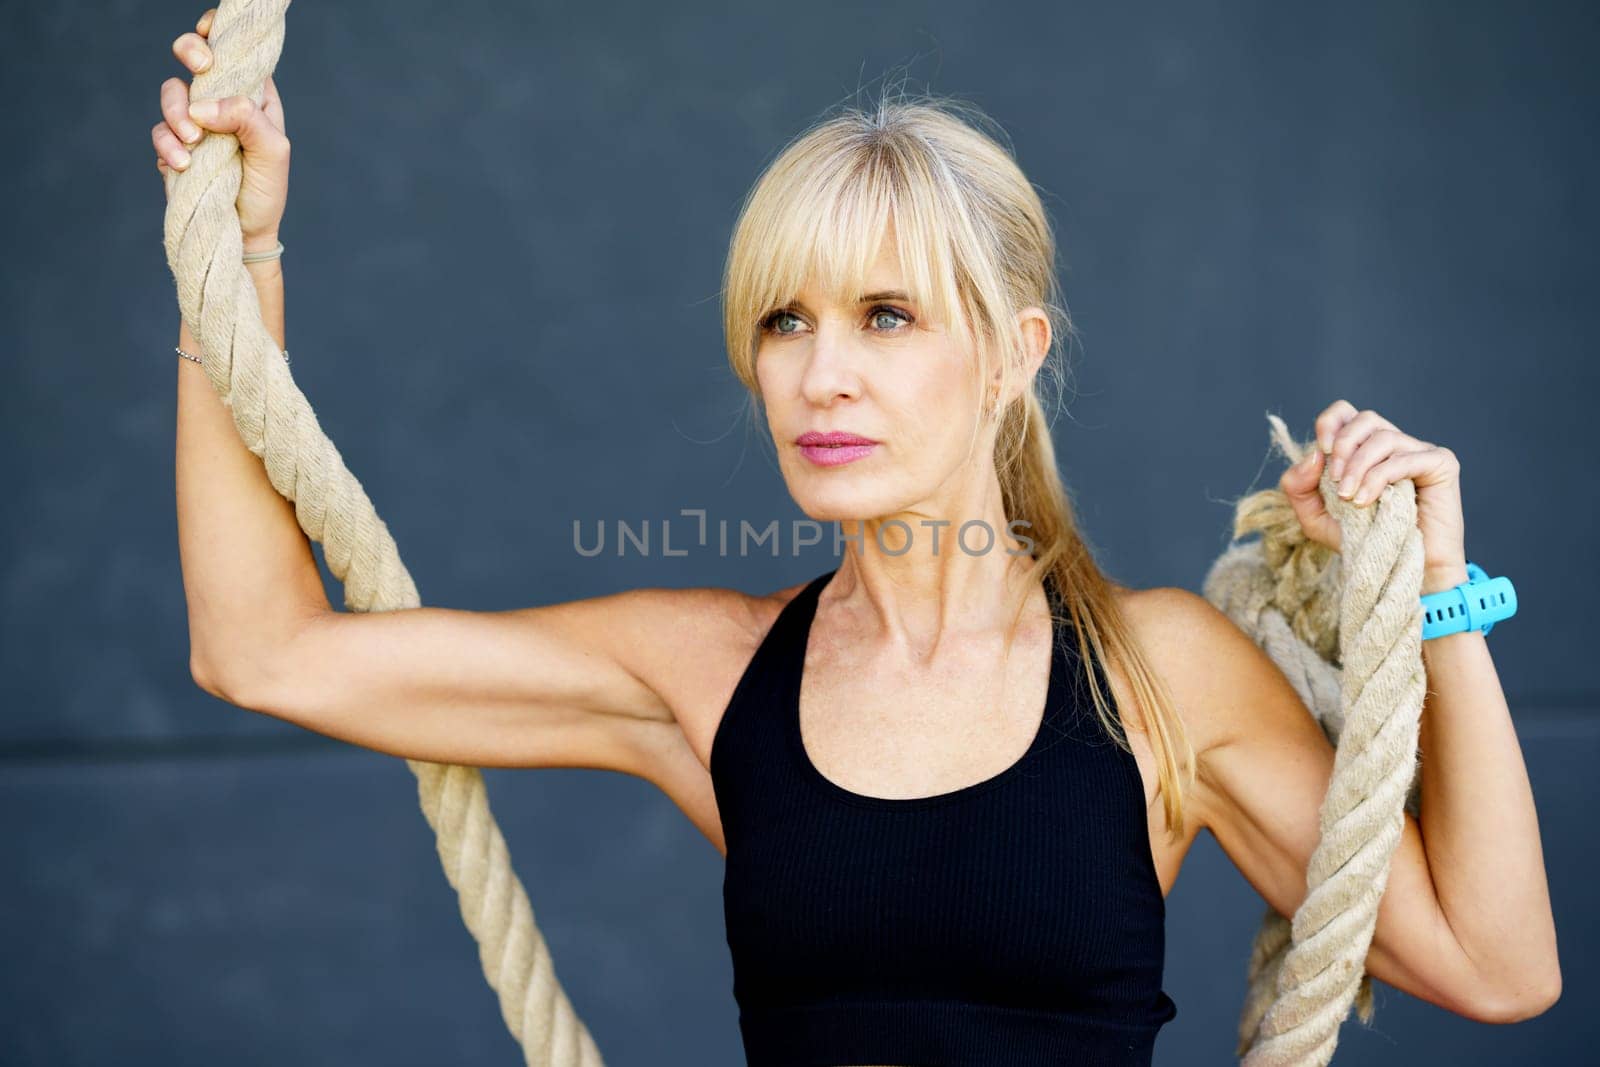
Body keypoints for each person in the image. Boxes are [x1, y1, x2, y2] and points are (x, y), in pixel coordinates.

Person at [154, 7, 1560, 1065]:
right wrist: (237, 258)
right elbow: (262, 649)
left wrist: (1438, 592)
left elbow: (1498, 969)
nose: (822, 374)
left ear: (1010, 356)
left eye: (887, 318)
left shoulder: (1161, 678)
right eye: (786, 321)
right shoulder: (706, 674)